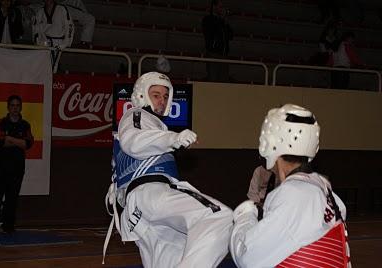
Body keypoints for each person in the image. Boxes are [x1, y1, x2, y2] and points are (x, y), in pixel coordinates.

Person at [103, 72, 233, 267]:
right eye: (156, 95)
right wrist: (173, 138)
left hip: (138, 211)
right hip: (150, 193)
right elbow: (133, 143)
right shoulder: (136, 114)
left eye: (165, 96)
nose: (162, 101)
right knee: (220, 217)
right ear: (141, 94)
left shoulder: (154, 124)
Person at [230, 104, 350, 267]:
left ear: (269, 142)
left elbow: (247, 257)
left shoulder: (295, 195)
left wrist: (244, 217)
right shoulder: (326, 192)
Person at [0, 95, 34, 234]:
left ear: (20, 107)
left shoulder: (25, 125)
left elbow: (27, 144)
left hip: (17, 169)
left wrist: (9, 138)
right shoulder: (1, 123)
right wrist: (17, 141)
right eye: (12, 105)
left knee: (12, 198)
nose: (15, 108)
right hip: (0, 168)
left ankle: (8, 226)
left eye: (17, 105)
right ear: (8, 107)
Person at [32, 0, 74, 70]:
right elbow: (35, 31)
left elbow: (70, 26)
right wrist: (38, 43)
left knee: (53, 66)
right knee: (43, 66)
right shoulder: (40, 12)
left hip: (58, 42)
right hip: (44, 42)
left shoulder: (62, 9)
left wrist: (66, 43)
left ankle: (53, 79)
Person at [202, 0, 233, 82]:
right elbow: (211, 32)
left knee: (224, 80)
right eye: (220, 7)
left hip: (224, 55)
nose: (222, 9)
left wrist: (225, 21)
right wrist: (221, 19)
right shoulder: (208, 19)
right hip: (213, 54)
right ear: (214, 7)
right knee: (213, 79)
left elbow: (230, 36)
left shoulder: (222, 21)